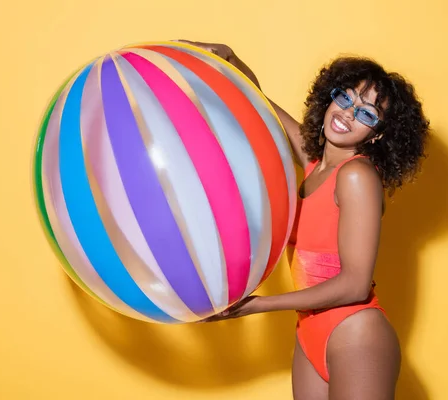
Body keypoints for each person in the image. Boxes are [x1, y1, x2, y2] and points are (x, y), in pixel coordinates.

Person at [180, 40, 430, 399]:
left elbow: (356, 285)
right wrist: (230, 57)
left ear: (376, 134)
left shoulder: (357, 176)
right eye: (346, 98)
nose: (347, 113)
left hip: (354, 334)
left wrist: (261, 304)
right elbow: (263, 104)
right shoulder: (316, 164)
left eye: (367, 113)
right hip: (309, 330)